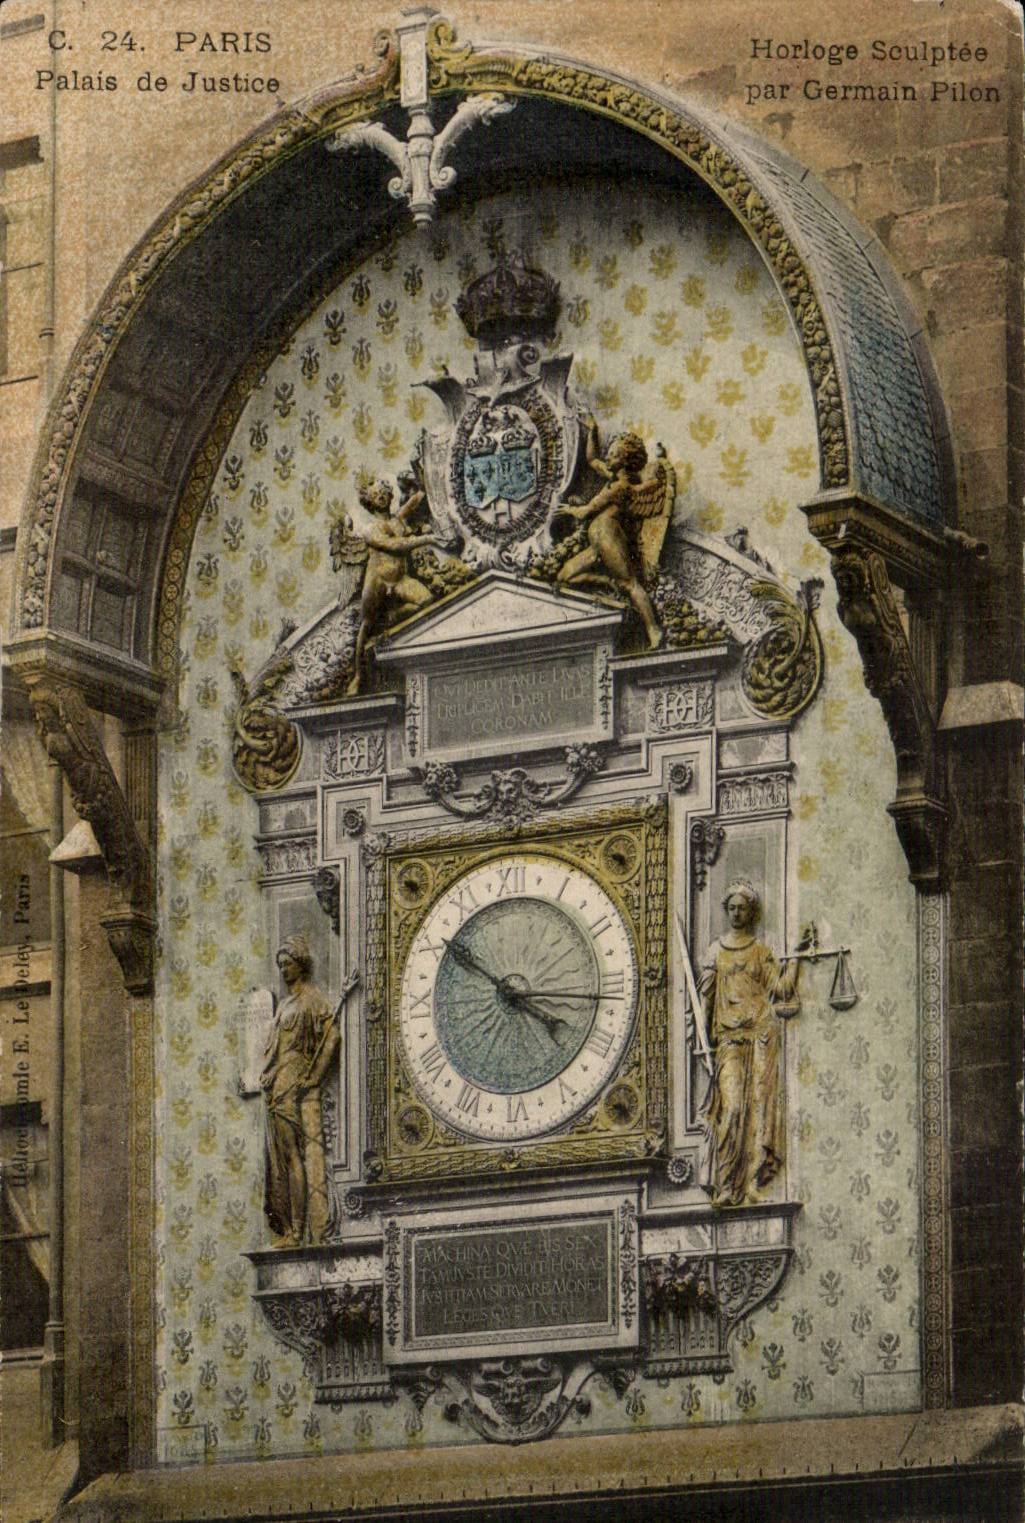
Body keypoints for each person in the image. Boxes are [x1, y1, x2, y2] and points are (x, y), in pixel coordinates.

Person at [698, 882, 813, 1207]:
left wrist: (798, 955)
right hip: (729, 1042)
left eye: (742, 908)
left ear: (751, 912)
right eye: (732, 908)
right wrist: (702, 1037)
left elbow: (782, 989)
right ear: (726, 910)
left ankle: (751, 1181)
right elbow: (705, 1000)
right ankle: (726, 1186)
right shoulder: (715, 952)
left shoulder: (760, 952)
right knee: (732, 1110)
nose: (736, 913)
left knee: (759, 1113)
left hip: (760, 1037)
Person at [261, 934, 358, 1246]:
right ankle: (288, 1227)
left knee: (293, 1157)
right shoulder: (286, 1004)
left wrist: (315, 1075)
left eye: (288, 964)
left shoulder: (313, 999)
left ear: (301, 964)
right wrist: (271, 1072)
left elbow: (332, 1038)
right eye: (280, 965)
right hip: (278, 1085)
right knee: (278, 1159)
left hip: (296, 1084)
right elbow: (279, 1049)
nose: (284, 970)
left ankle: (299, 1229)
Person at [553, 425, 665, 649]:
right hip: (596, 544)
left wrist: (567, 510)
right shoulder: (613, 477)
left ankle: (654, 629)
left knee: (630, 583)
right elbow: (592, 459)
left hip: (608, 537)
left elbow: (587, 511)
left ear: (623, 460)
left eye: (613, 454)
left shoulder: (621, 487)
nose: (608, 456)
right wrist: (592, 430)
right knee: (564, 576)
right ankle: (607, 583)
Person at [334, 476, 443, 696]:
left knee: (427, 601)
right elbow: (396, 546)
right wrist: (429, 539)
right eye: (376, 495)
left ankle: (391, 620)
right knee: (366, 624)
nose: (381, 497)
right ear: (370, 501)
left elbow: (414, 502)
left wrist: (421, 480)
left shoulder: (396, 520)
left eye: (384, 492)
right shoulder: (370, 529)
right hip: (379, 581)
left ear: (390, 495)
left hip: (400, 579)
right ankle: (358, 675)